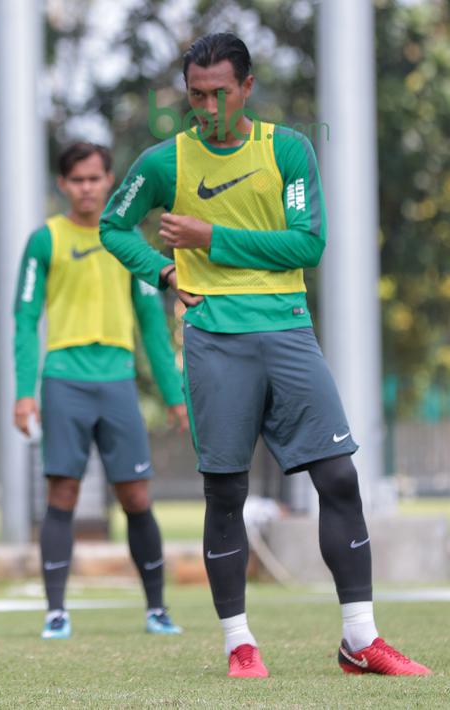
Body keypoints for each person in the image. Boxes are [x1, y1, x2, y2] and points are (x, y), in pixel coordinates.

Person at [100, 32, 429, 678]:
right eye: (195, 95)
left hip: (286, 331)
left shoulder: (287, 149)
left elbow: (305, 245)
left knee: (337, 478)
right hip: (214, 340)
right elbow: (113, 224)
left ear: (246, 87)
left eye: (219, 92)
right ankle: (238, 644)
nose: (206, 107)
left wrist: (207, 236)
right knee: (224, 491)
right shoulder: (164, 162)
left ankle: (359, 639)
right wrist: (162, 272)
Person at [13, 142, 187, 641]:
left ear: (110, 180)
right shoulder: (45, 239)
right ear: (63, 185)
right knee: (61, 493)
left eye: (95, 178)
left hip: (117, 383)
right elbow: (24, 320)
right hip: (64, 380)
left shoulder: (128, 240)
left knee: (135, 494)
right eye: (77, 180)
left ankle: (157, 608)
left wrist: (175, 395)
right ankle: (56, 612)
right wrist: (24, 392)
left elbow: (153, 324)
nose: (87, 188)